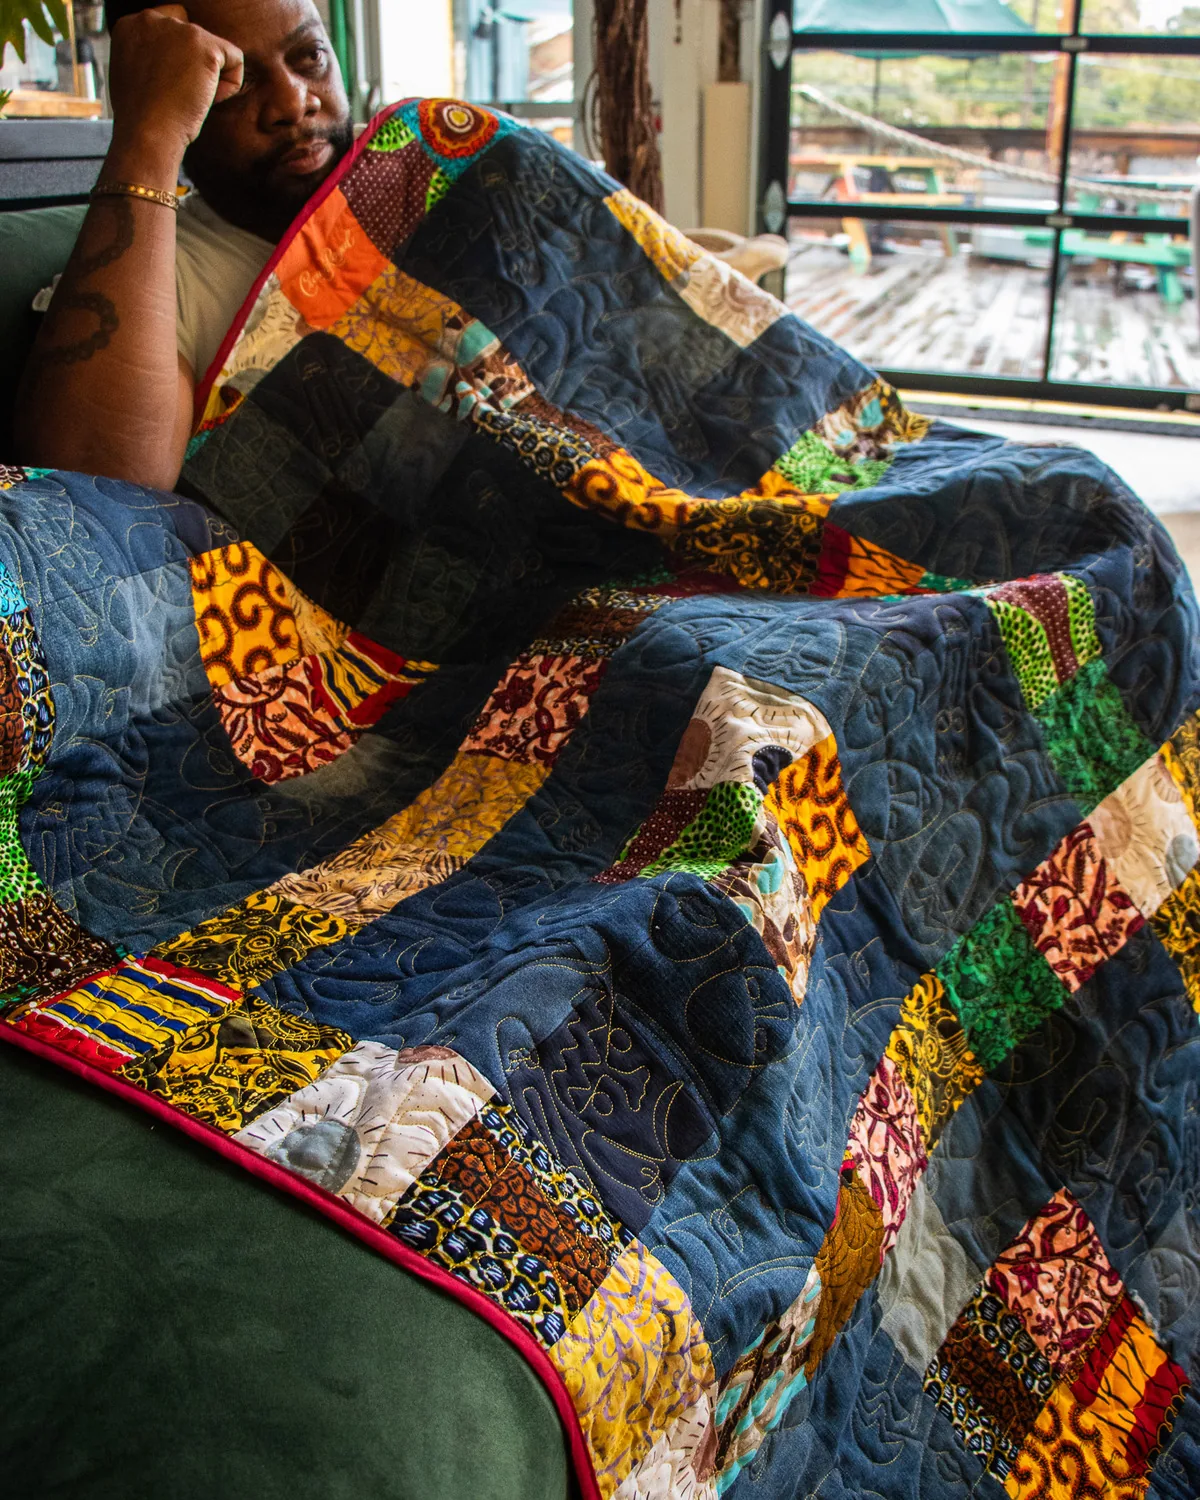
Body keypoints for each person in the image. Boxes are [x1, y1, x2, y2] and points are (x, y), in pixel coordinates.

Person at [14, 0, 355, 492]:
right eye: (238, 80)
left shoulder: (421, 179)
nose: (294, 101)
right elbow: (94, 506)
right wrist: (147, 133)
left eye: (310, 56)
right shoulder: (156, 278)